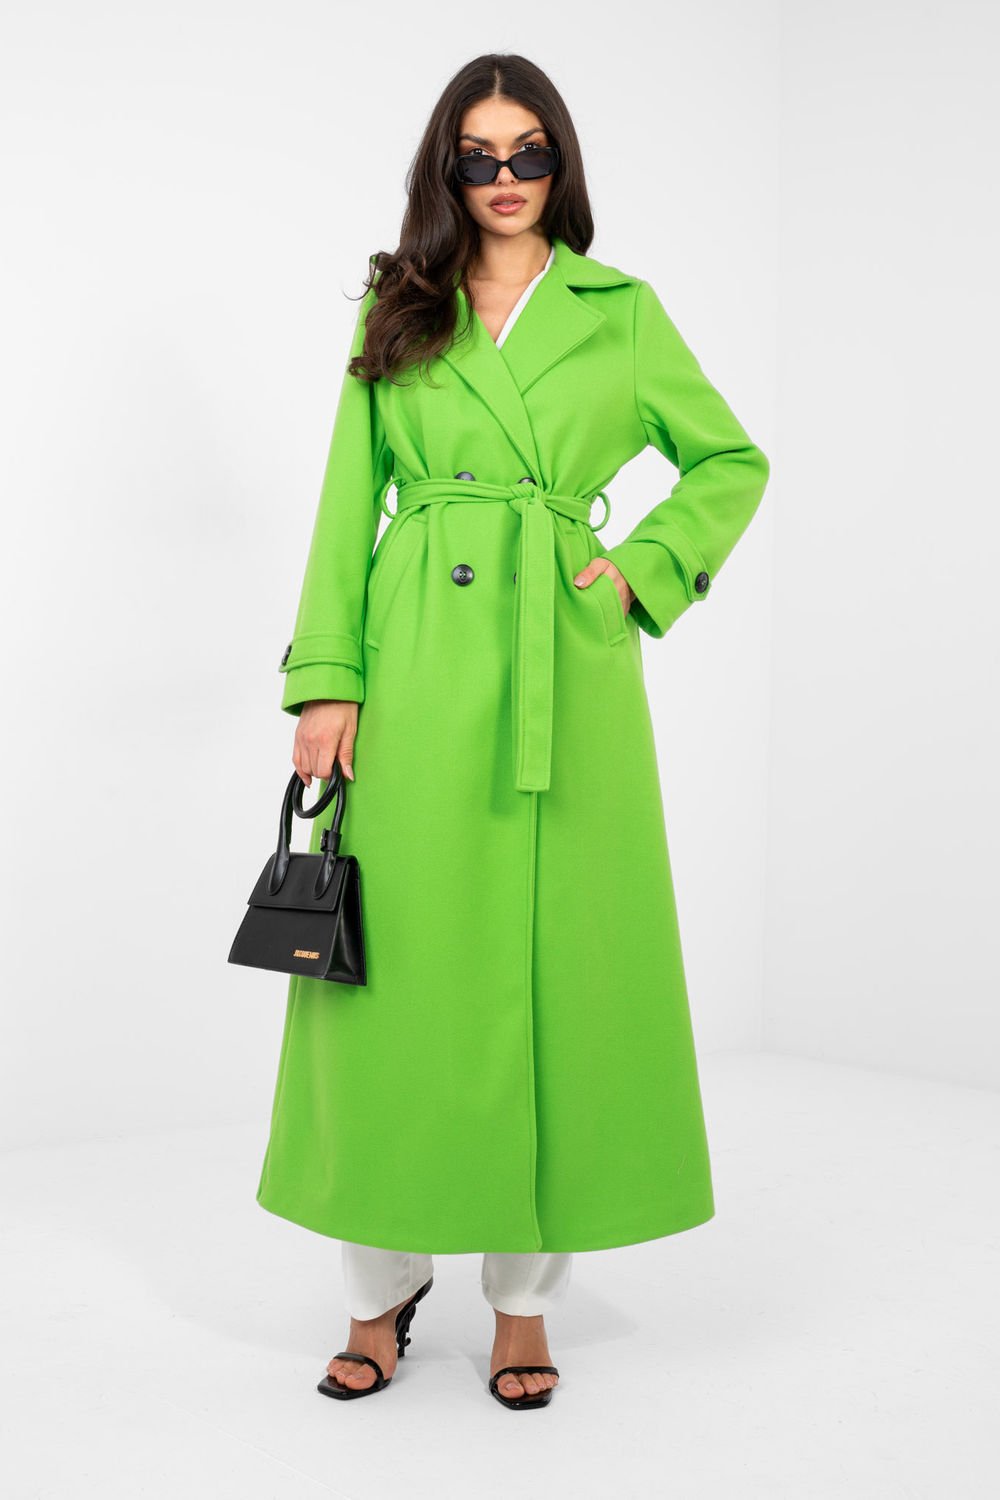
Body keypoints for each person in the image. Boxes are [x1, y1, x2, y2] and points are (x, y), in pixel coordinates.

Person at [255, 52, 770, 1410]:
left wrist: (638, 576)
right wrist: (328, 679)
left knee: (554, 977)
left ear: (561, 164)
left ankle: (525, 1304)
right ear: (446, 169)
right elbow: (347, 497)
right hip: (417, 662)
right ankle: (378, 1290)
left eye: (527, 152)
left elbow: (730, 460)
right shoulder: (402, 304)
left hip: (563, 675)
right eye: (476, 157)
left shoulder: (618, 311)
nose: (503, 178)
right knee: (388, 982)